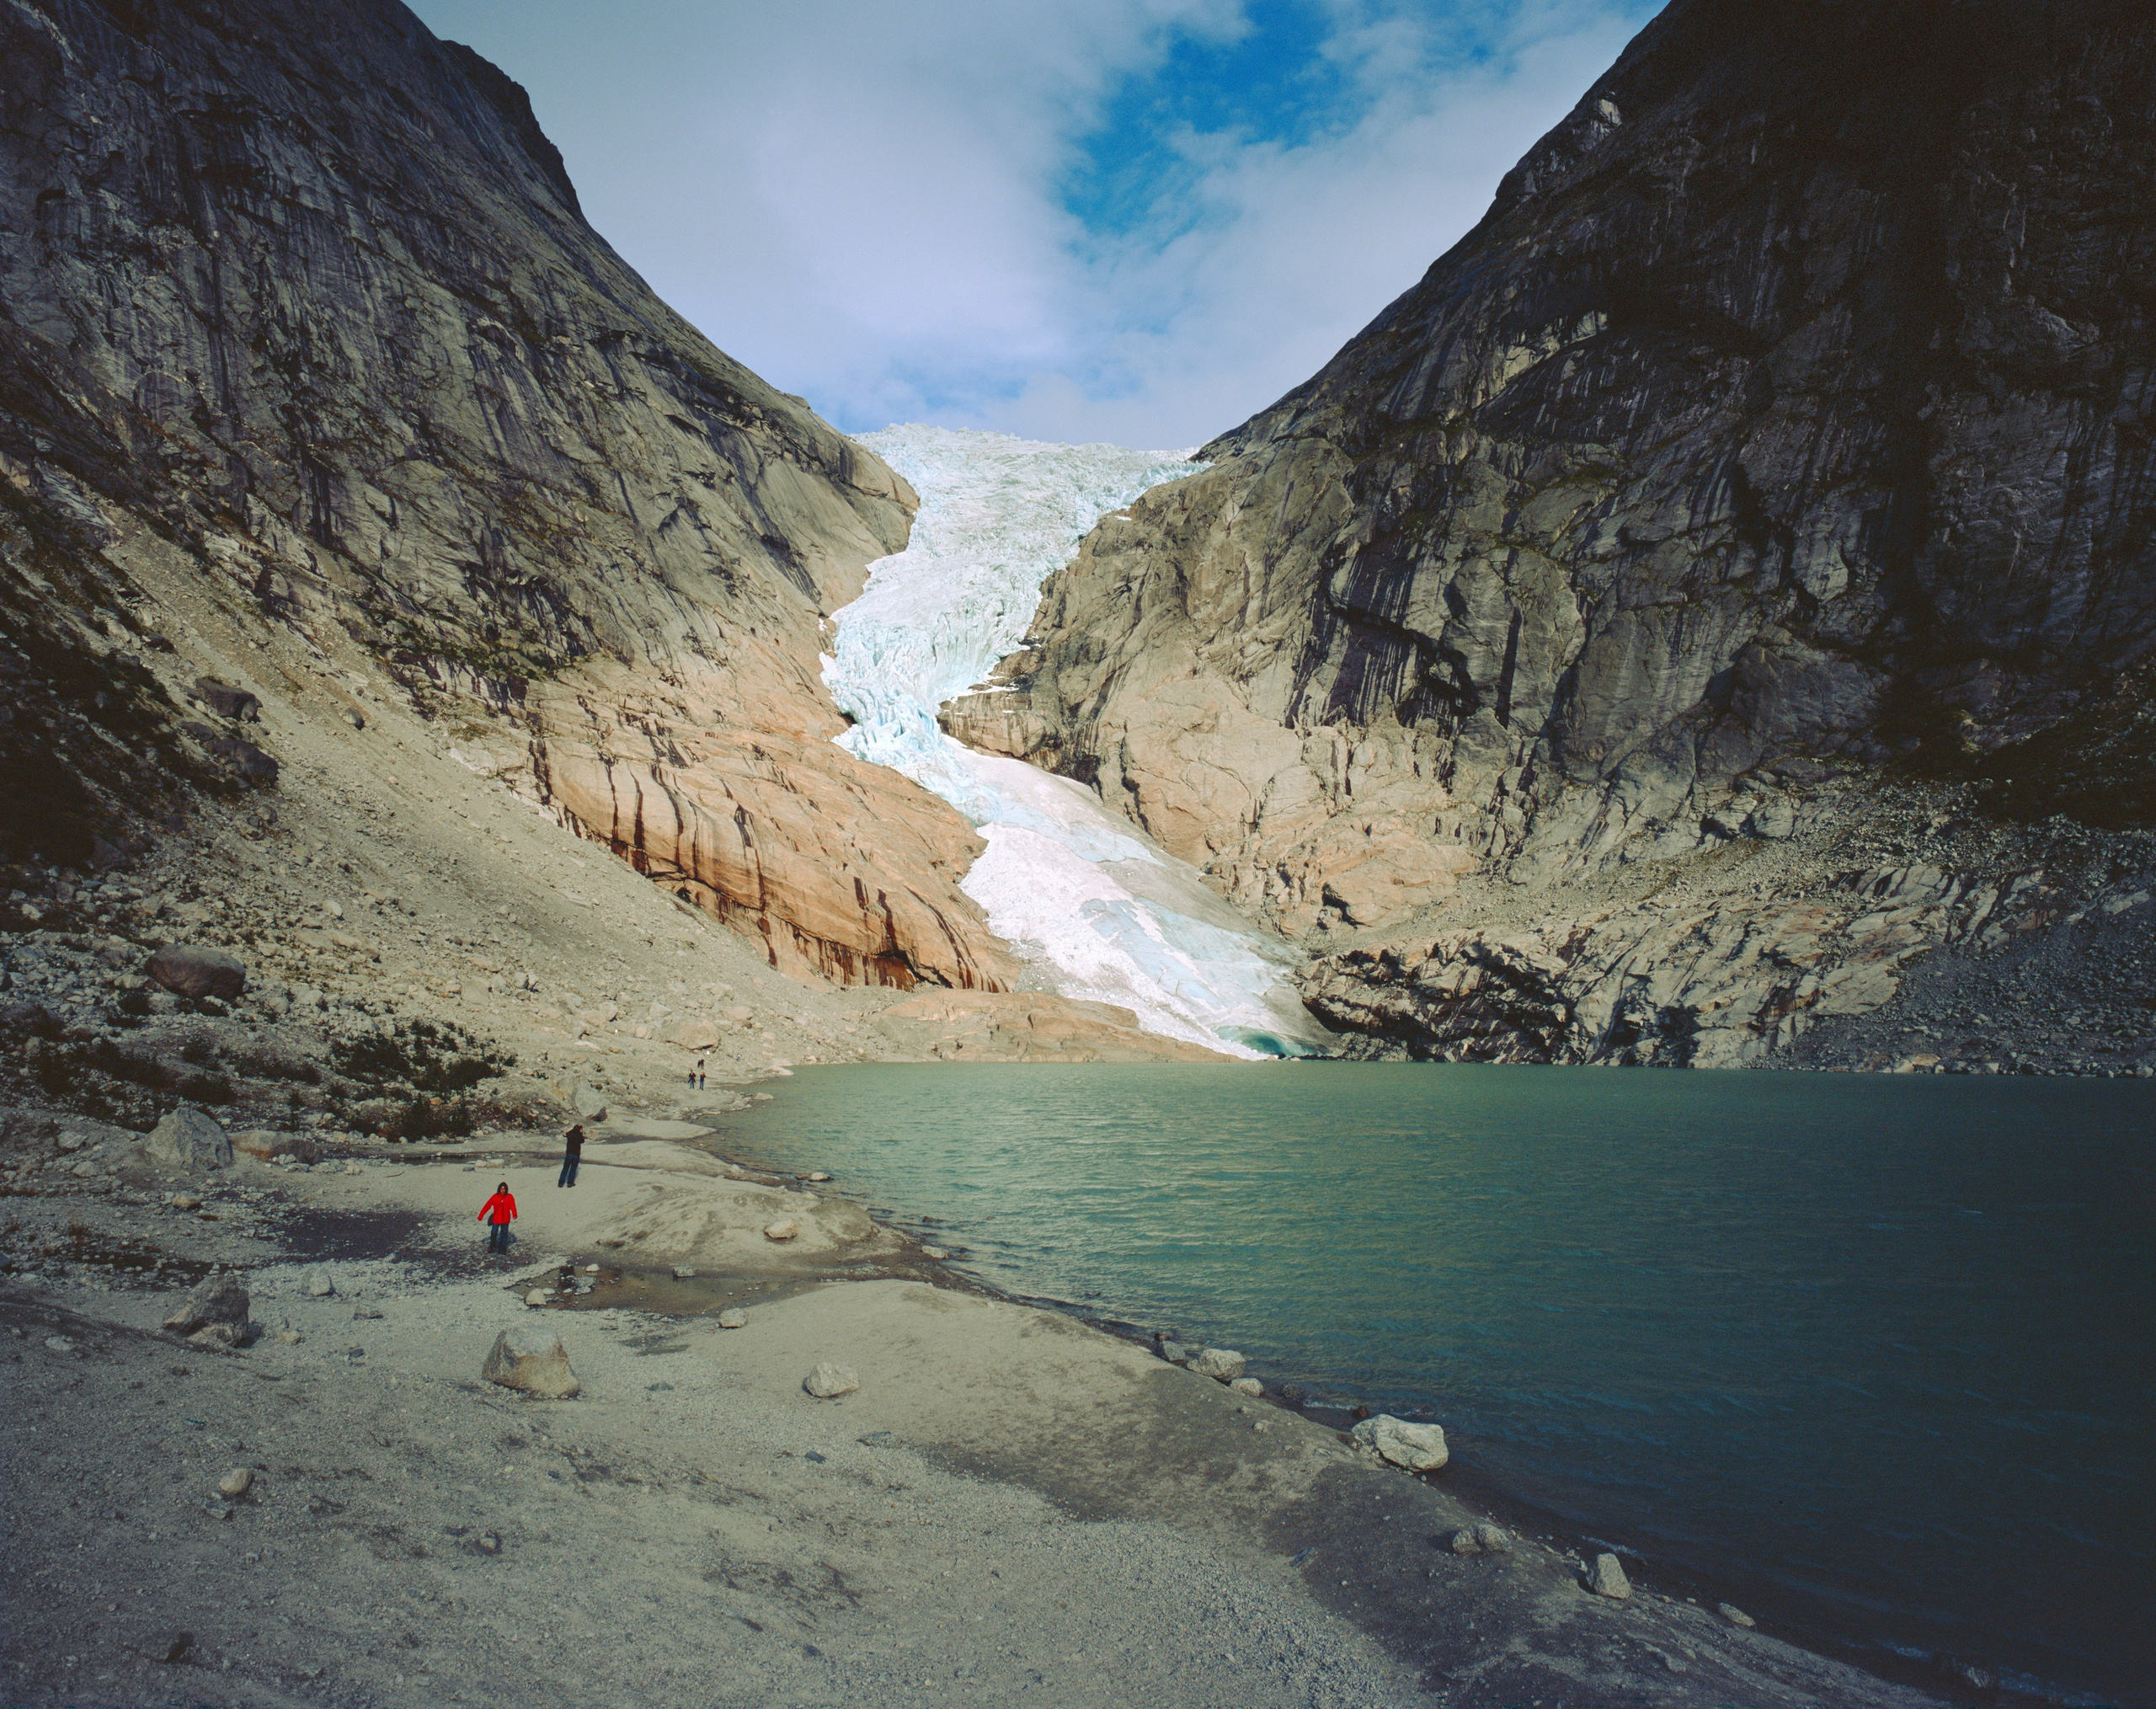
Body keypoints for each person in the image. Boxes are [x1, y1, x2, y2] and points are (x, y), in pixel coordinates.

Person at [477, 1181, 517, 1252]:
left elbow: (512, 1206)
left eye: (504, 1189)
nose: (503, 1191)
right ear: (499, 1189)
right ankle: (492, 1246)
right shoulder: (495, 1197)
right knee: (494, 1232)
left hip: (505, 1219)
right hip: (496, 1219)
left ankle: (502, 1249)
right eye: (501, 1189)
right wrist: (481, 1215)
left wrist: (514, 1214)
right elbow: (487, 1206)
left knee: (504, 1234)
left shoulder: (509, 1196)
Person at [558, 1124, 584, 1189]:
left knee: (565, 1168)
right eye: (581, 1129)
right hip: (576, 1154)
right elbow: (582, 1141)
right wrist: (581, 1133)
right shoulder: (579, 1135)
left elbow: (567, 1134)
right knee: (573, 1169)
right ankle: (570, 1182)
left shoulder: (570, 1134)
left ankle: (561, 1183)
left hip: (569, 1154)